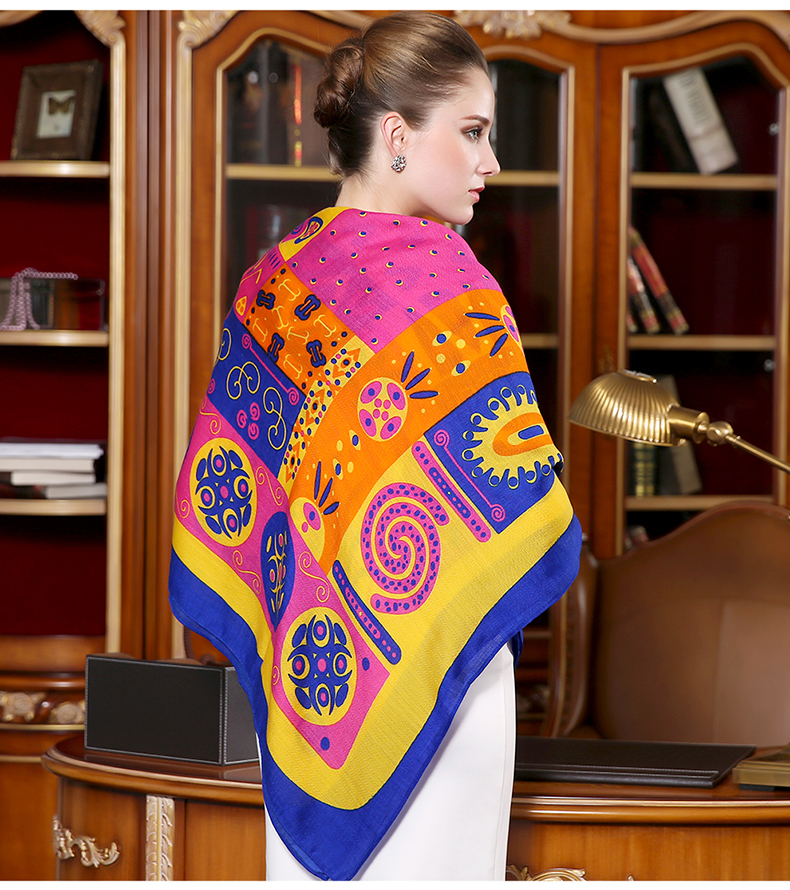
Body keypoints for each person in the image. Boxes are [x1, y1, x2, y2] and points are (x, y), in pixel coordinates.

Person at [169, 10, 581, 882]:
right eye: (471, 132)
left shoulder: (270, 283)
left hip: (315, 684)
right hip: (449, 687)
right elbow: (518, 502)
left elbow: (233, 505)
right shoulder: (457, 289)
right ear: (397, 135)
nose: (491, 162)